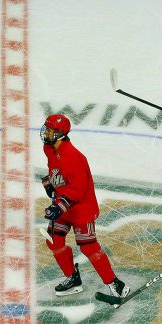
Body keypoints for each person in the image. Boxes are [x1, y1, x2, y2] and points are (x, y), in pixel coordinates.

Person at [39, 114, 128, 300]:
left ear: (61, 134)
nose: (46, 132)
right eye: (46, 128)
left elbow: (78, 189)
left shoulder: (73, 156)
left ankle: (116, 285)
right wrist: (50, 183)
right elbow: (55, 170)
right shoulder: (49, 148)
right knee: (54, 241)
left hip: (81, 209)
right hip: (63, 205)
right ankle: (73, 278)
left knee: (89, 247)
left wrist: (59, 206)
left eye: (50, 130)